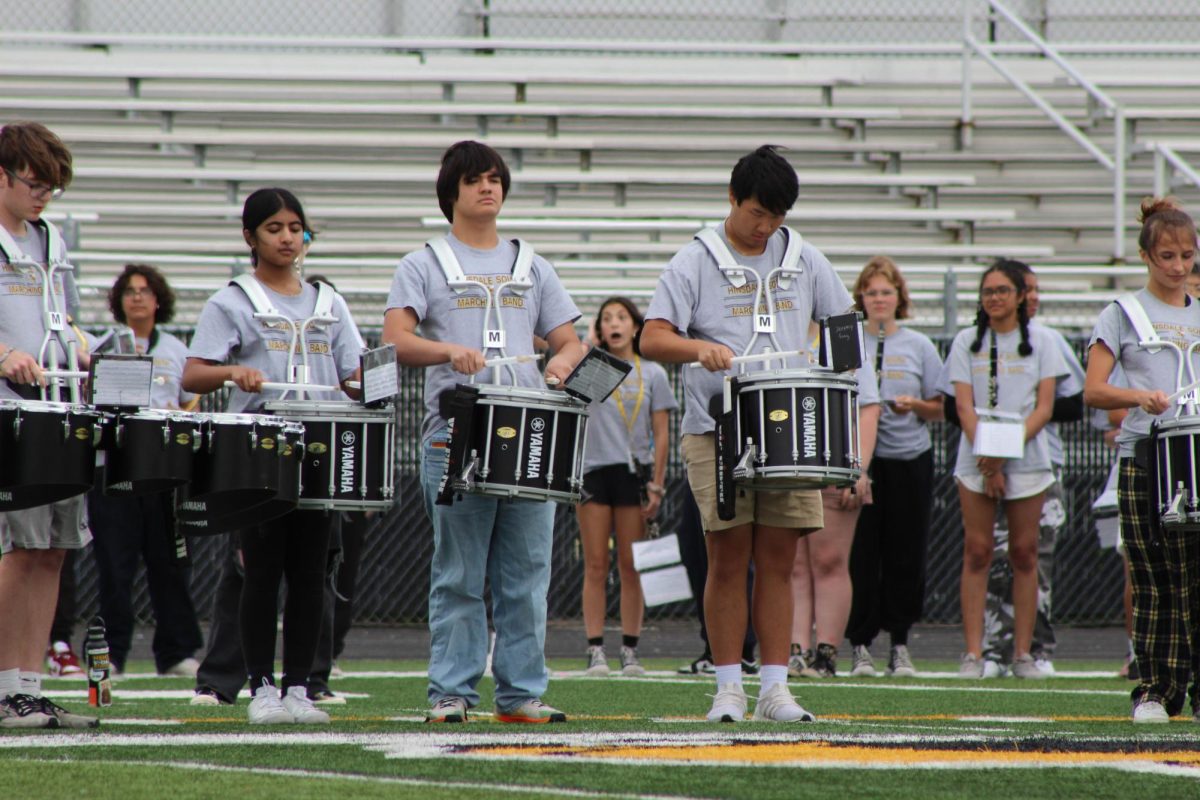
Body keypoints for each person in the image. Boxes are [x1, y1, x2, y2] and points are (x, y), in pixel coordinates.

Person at [641, 145, 859, 722]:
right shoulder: (694, 258)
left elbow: (843, 328)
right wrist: (699, 348)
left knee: (780, 558)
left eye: (777, 216)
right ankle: (728, 688)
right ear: (732, 199)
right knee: (728, 555)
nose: (766, 227)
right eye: (757, 213)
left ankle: (775, 688)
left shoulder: (804, 257)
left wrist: (836, 381)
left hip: (790, 425)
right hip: (719, 427)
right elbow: (652, 338)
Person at [383, 140, 586, 724]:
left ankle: (521, 694)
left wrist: (559, 366)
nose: (488, 188)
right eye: (475, 180)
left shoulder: (531, 263)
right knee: (461, 574)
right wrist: (448, 348)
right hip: (458, 433)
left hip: (528, 431)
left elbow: (570, 338)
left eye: (496, 178)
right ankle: (451, 693)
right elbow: (396, 338)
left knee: (527, 575)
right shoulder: (423, 262)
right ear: (453, 192)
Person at [183, 187, 361, 725]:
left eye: (295, 229)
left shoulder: (329, 303)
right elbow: (193, 373)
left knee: (311, 574)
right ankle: (260, 686)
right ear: (251, 237)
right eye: (274, 229)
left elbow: (354, 375)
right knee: (261, 571)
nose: (287, 238)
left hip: (319, 447)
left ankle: (300, 690)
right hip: (259, 450)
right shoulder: (233, 299)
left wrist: (365, 384)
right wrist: (233, 371)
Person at [1083, 196, 1200, 723]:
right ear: (1146, 256)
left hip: (1195, 453)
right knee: (1153, 575)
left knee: (1196, 574)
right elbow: (1093, 389)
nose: (1178, 267)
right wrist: (1138, 398)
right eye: (1168, 256)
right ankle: (1155, 688)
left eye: (1187, 256)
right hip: (1145, 453)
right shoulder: (1122, 313)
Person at [0, 121, 98, 729]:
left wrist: (90, 349)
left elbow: (68, 322)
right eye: (35, 184)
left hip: (57, 411)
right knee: (17, 546)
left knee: (53, 549)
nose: (43, 196)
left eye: (51, 188)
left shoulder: (49, 241)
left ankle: (26, 685)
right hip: (8, 413)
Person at [948, 261, 1067, 679]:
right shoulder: (966, 341)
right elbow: (962, 406)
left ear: (1020, 296)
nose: (994, 298)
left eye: (1002, 290)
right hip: (975, 458)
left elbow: (1045, 408)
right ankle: (973, 655)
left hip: (1027, 457)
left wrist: (1003, 454)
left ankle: (1022, 654)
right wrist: (987, 458)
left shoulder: (1043, 341)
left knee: (1024, 552)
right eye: (987, 291)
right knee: (977, 551)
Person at [87, 264, 204, 678]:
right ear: (119, 301)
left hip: (162, 471)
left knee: (169, 564)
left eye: (144, 290)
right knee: (114, 568)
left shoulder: (175, 348)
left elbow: (191, 401)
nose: (137, 297)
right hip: (113, 470)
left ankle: (177, 651)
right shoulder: (102, 347)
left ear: (158, 300)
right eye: (129, 291)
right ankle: (112, 654)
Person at [979, 261, 1084, 677]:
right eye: (1029, 288)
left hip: (1040, 461)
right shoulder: (981, 342)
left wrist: (1023, 412)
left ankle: (1037, 648)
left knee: (1034, 558)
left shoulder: (1048, 340)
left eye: (1037, 289)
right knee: (991, 554)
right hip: (988, 461)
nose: (1035, 296)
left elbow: (1074, 402)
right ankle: (993, 649)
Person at [843, 256, 943, 678]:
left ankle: (899, 643)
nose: (879, 299)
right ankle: (860, 643)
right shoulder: (849, 339)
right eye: (872, 292)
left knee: (906, 553)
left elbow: (940, 408)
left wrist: (914, 406)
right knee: (859, 554)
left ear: (899, 297)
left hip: (908, 459)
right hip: (861, 460)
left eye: (887, 292)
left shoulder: (919, 345)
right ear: (860, 298)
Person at [577, 297, 676, 677]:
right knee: (596, 563)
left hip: (634, 474)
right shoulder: (594, 367)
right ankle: (595, 650)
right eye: (606, 319)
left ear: (636, 327)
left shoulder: (652, 373)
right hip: (594, 470)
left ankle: (630, 651)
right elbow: (573, 393)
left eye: (621, 317)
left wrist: (658, 483)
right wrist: (588, 343)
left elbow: (662, 433)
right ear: (599, 329)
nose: (614, 324)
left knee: (630, 565)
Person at [790, 319, 880, 679]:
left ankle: (825, 654)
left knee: (829, 560)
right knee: (792, 564)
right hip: (787, 463)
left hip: (834, 461)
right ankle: (795, 651)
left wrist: (857, 468)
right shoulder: (777, 330)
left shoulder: (841, 336)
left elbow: (868, 405)